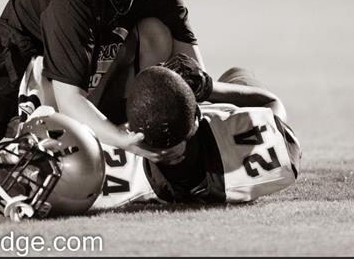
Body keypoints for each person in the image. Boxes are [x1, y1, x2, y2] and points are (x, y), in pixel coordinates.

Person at [0, 0, 200, 163]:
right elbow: (69, 99)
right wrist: (123, 142)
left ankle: (132, 125)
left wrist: (185, 118)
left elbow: (194, 71)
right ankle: (94, 138)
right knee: (41, 71)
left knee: (156, 33)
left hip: (90, 91)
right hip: (32, 97)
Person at [92, 62, 301, 209]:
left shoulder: (105, 172)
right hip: (219, 134)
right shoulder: (273, 164)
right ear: (197, 118)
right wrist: (207, 89)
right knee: (237, 73)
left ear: (134, 133)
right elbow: (272, 106)